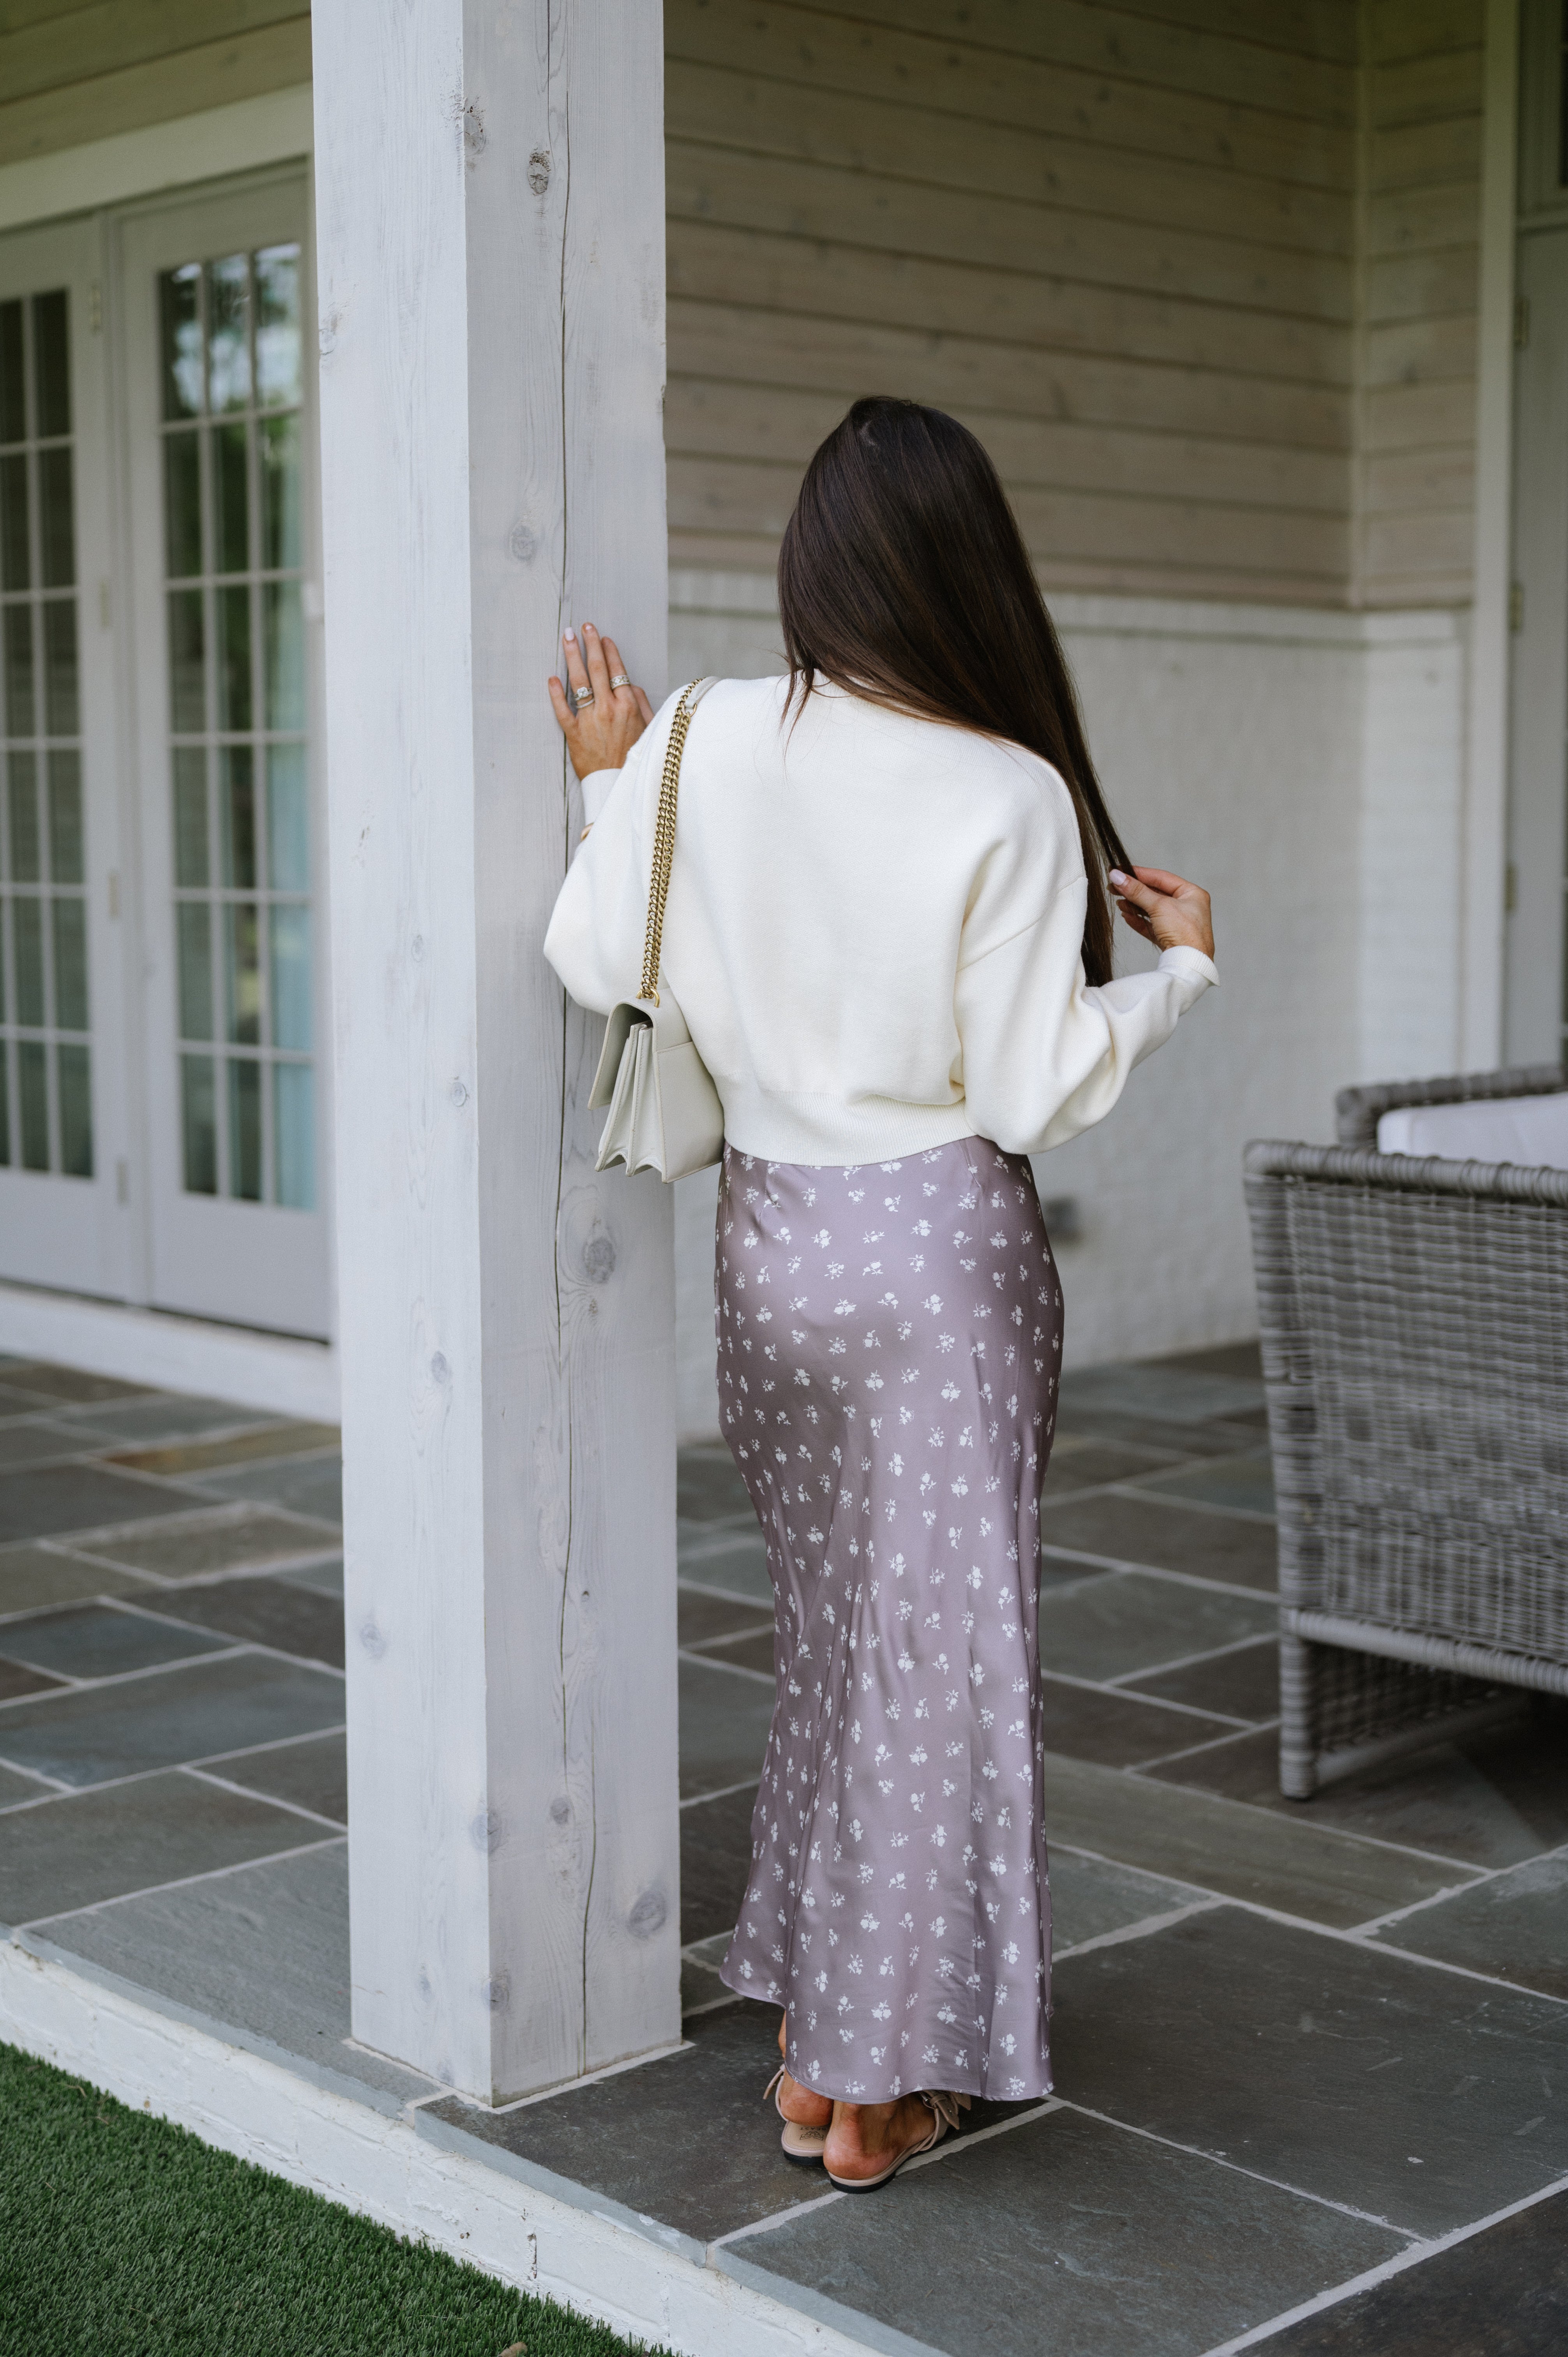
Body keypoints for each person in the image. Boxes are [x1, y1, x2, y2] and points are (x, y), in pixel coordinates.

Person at [543, 397, 1216, 2192]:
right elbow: (1029, 1095)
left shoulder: (689, 738)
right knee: (945, 1669)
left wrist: (609, 783)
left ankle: (810, 2023)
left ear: (812, 564)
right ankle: (868, 2085)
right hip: (936, 1263)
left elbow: (595, 953)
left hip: (771, 1253)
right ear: (966, 570)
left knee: (841, 1648)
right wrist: (1183, 978)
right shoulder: (1010, 789)